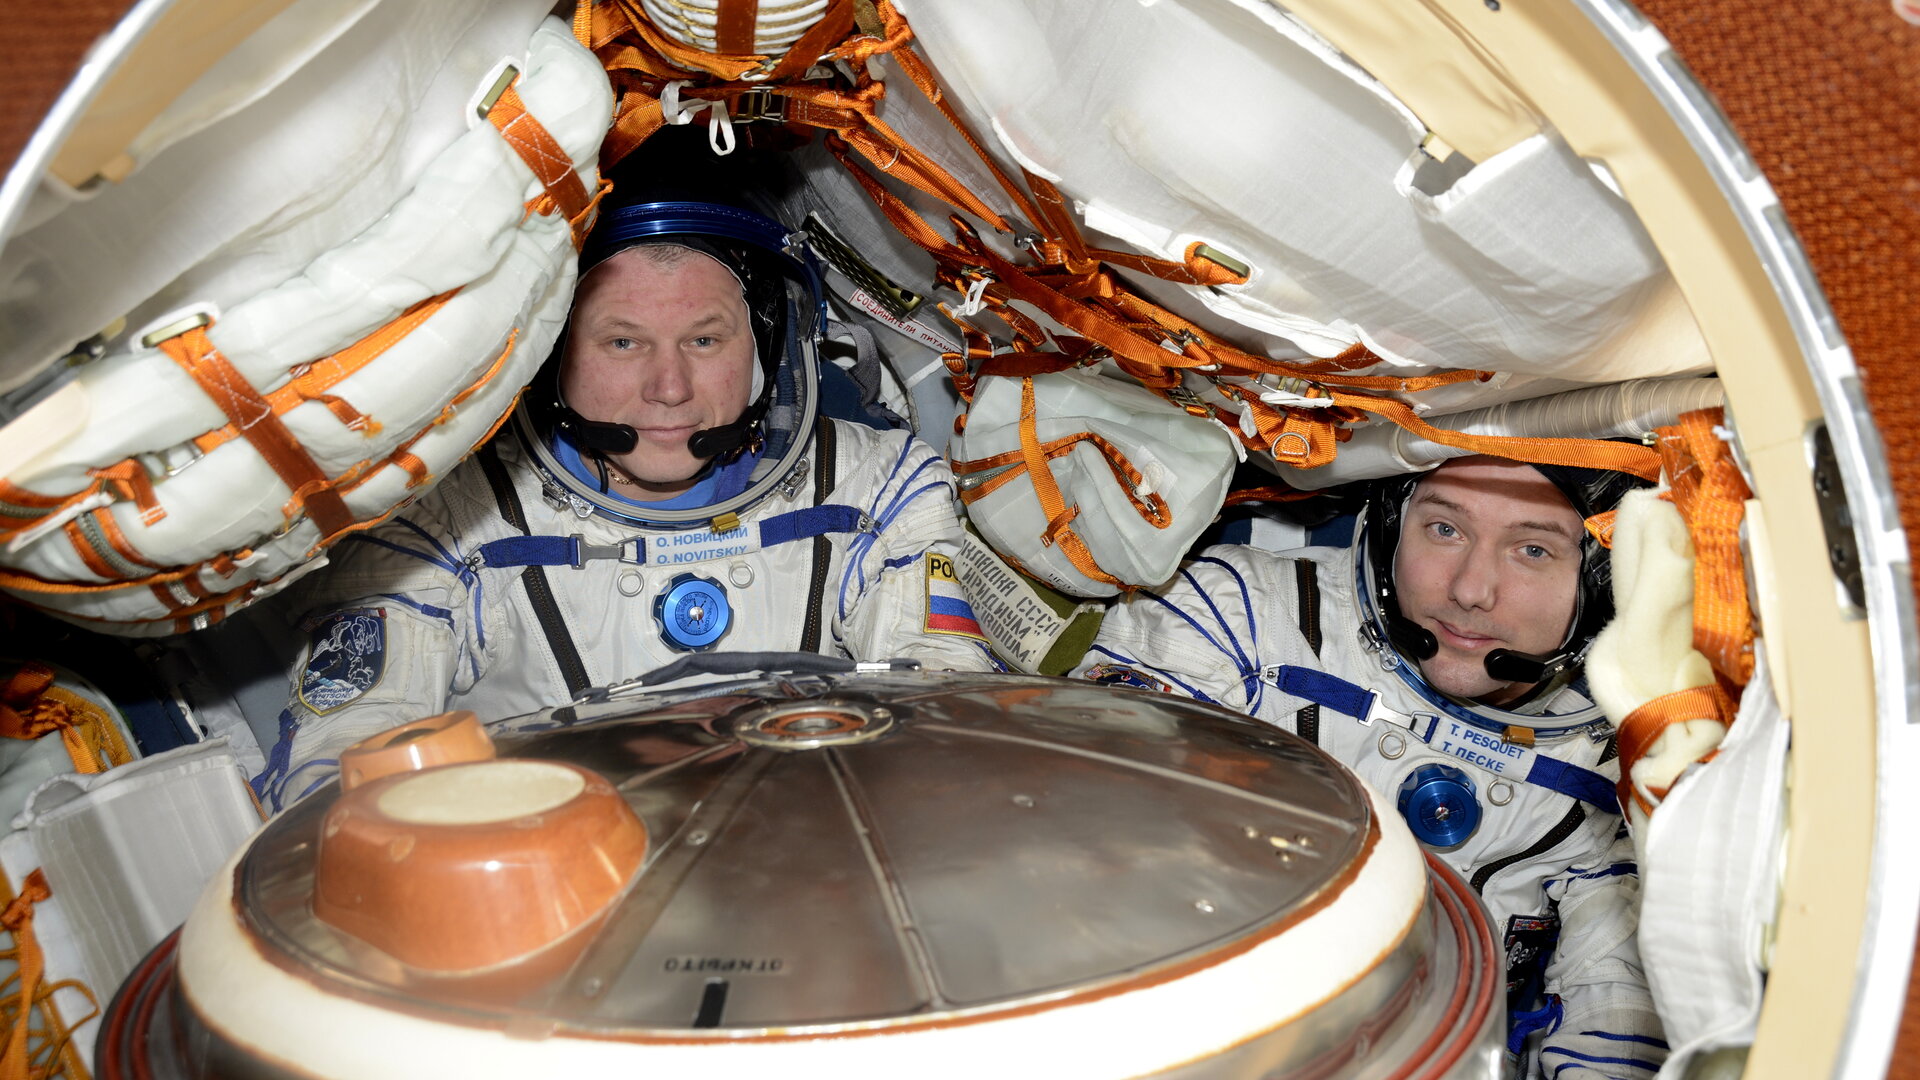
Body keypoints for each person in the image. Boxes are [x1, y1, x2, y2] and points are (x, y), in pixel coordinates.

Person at [253, 192, 998, 812]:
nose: (669, 389)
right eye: (622, 342)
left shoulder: (877, 488)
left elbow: (943, 711)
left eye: (704, 340)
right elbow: (344, 769)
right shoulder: (442, 522)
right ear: (550, 352)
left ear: (766, 347)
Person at [1074, 455, 1667, 1079]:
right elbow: (1099, 820)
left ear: (1603, 575)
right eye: (1445, 529)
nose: (1471, 589)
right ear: (1391, 525)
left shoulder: (1627, 760)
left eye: (1532, 550)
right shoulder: (1243, 619)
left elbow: (1619, 1009)